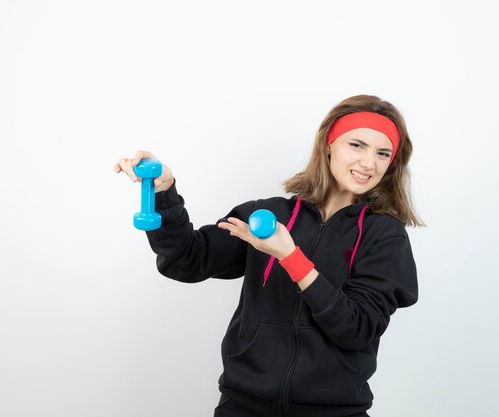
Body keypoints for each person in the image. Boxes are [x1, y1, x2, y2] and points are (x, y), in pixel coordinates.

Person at [113, 94, 424, 417]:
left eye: (382, 153)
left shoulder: (384, 237)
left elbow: (355, 328)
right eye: (357, 145)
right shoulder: (269, 216)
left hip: (334, 411)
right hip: (243, 406)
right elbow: (186, 259)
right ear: (329, 144)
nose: (368, 163)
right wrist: (164, 191)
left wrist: (290, 256)